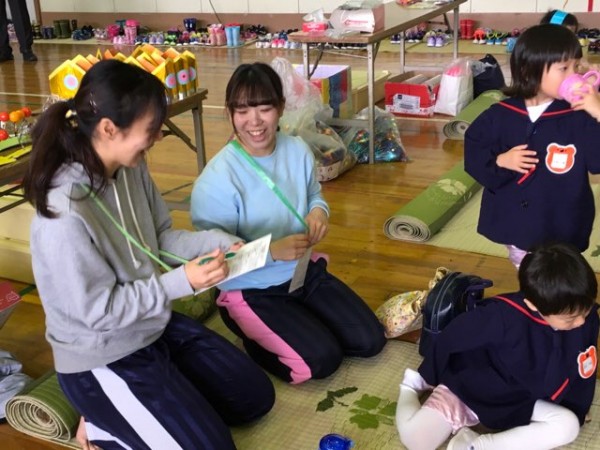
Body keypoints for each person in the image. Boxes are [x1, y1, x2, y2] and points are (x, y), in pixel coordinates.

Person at [22, 59, 275, 450]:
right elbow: (98, 313)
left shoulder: (129, 166)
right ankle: (106, 422)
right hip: (102, 355)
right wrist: (182, 282)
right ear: (109, 129)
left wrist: (219, 243)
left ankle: (143, 412)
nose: (158, 136)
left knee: (254, 397)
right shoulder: (65, 211)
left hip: (150, 326)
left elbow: (158, 238)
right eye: (151, 128)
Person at [190, 62, 386, 384]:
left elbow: (314, 194)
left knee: (370, 340)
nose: (254, 121)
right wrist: (271, 252)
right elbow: (212, 263)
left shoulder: (297, 150)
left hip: (301, 273)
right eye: (243, 111)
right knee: (321, 361)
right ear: (229, 114)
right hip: (251, 291)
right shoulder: (217, 180)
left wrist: (319, 213)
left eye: (264, 108)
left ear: (280, 108)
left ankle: (298, 325)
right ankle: (254, 339)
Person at [395, 242, 599, 450]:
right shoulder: (501, 316)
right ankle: (411, 385)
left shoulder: (586, 317)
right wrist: (430, 373)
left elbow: (584, 368)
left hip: (522, 398)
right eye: (570, 318)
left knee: (568, 426)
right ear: (532, 305)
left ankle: (477, 445)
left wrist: (577, 410)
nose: (581, 321)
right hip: (472, 388)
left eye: (586, 309)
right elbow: (452, 337)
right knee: (416, 441)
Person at [464, 24, 600, 268]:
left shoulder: (579, 116)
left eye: (576, 67)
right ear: (529, 71)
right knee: (528, 272)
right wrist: (500, 161)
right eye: (564, 68)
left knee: (561, 275)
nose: (573, 76)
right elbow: (474, 147)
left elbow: (597, 161)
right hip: (517, 222)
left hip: (563, 222)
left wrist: (598, 112)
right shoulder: (500, 114)